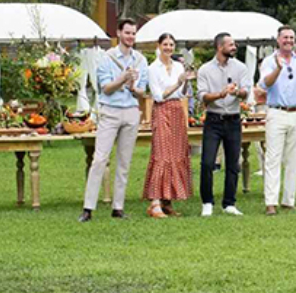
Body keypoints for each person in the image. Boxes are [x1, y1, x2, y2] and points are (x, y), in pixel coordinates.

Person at [79, 19, 149, 222]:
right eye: (127, 33)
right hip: (110, 111)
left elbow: (141, 92)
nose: (131, 37)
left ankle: (118, 207)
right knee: (100, 159)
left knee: (124, 162)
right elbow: (106, 88)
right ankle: (88, 208)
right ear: (119, 33)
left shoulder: (140, 60)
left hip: (131, 112)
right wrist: (123, 78)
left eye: (133, 33)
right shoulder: (106, 58)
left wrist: (134, 86)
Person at [258, 26, 296, 215]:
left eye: (291, 38)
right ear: (278, 40)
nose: (289, 41)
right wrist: (279, 69)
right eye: (285, 38)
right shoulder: (269, 61)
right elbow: (264, 84)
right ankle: (270, 202)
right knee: (273, 158)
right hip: (277, 112)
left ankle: (289, 200)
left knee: (294, 159)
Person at [197, 32, 250, 217]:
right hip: (213, 120)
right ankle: (207, 202)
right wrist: (220, 94)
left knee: (233, 163)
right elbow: (203, 96)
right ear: (220, 47)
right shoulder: (205, 70)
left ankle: (229, 203)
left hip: (234, 119)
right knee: (207, 162)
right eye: (231, 44)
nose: (234, 47)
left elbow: (246, 92)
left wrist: (236, 93)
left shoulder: (241, 67)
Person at [142, 33, 193, 219]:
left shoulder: (179, 66)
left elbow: (183, 93)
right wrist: (178, 83)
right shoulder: (153, 68)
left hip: (177, 110)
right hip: (162, 110)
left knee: (176, 154)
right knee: (161, 154)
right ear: (159, 45)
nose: (169, 48)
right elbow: (158, 95)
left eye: (171, 44)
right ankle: (154, 202)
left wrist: (186, 82)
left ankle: (167, 200)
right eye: (165, 44)